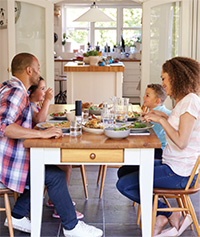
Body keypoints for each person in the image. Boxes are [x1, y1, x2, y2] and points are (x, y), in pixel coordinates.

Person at [0, 52, 103, 237]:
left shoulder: (11, 87)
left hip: (11, 158)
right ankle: (71, 227)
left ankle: (16, 215)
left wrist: (40, 131)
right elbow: (4, 126)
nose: (39, 73)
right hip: (6, 163)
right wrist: (43, 133)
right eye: (38, 69)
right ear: (29, 70)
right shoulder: (16, 91)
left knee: (45, 171)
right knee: (54, 176)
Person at [116, 56, 200, 236]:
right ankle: (169, 215)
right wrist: (161, 117)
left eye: (164, 78)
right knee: (124, 171)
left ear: (176, 77)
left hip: (180, 173)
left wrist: (161, 121)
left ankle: (165, 214)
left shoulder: (190, 101)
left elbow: (181, 141)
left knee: (124, 185)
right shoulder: (183, 101)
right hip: (173, 164)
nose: (162, 83)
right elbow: (177, 130)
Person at [29, 77, 84, 220]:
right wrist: (46, 100)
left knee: (66, 165)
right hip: (34, 149)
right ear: (31, 92)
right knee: (65, 166)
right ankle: (60, 206)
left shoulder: (33, 104)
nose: (45, 91)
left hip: (38, 143)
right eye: (41, 89)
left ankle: (54, 200)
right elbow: (40, 120)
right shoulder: (30, 105)